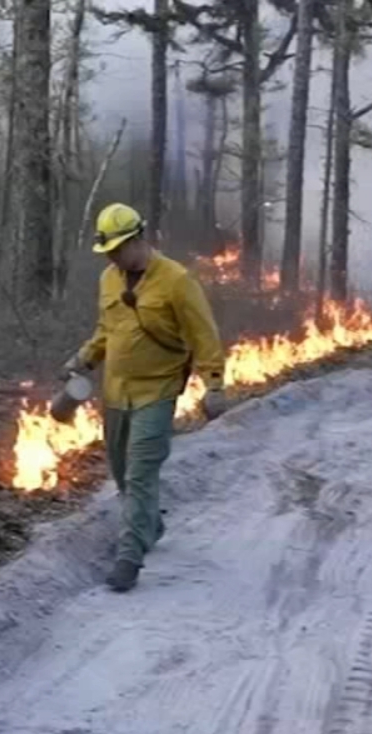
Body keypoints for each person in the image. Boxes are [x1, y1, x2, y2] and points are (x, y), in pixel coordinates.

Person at [63, 203, 228, 593]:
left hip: (158, 390)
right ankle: (149, 524)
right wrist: (84, 358)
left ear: (139, 239)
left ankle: (130, 555)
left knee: (140, 472)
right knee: (122, 472)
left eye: (119, 249)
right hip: (117, 392)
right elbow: (107, 330)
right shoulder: (108, 280)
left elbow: (203, 334)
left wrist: (215, 383)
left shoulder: (176, 280)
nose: (114, 257)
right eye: (109, 252)